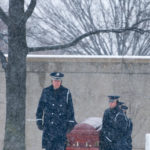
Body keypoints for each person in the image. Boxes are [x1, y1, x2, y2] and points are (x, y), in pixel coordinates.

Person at [36, 72, 76, 150]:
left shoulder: (66, 92)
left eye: (58, 81)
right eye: (55, 81)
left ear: (61, 82)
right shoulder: (46, 91)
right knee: (49, 147)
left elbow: (70, 108)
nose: (57, 83)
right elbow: (40, 107)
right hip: (49, 127)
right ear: (52, 81)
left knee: (60, 147)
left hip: (61, 127)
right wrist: (39, 120)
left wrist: (71, 122)